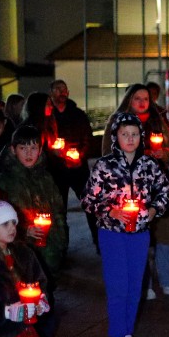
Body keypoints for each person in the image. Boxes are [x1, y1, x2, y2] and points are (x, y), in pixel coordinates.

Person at [82, 113, 169, 337]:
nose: (130, 138)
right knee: (117, 287)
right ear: (115, 137)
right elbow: (88, 199)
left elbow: (167, 191)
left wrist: (154, 211)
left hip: (140, 234)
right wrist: (111, 211)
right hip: (112, 234)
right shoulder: (104, 165)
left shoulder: (148, 164)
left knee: (136, 287)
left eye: (135, 134)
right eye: (125, 134)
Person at [102, 85, 169, 299]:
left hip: (158, 185)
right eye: (137, 98)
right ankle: (143, 283)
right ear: (128, 100)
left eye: (146, 98)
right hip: (130, 187)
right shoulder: (117, 121)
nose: (142, 102)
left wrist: (164, 152)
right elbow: (107, 153)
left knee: (167, 232)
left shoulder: (157, 119)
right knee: (139, 234)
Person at [0, 126, 69, 337]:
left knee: (46, 308)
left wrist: (59, 245)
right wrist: (24, 229)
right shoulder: (5, 181)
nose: (29, 153)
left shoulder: (46, 178)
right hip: (17, 257)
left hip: (46, 254)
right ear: (13, 150)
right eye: (23, 148)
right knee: (18, 311)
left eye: (33, 148)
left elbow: (58, 213)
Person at [0, 201, 51, 337]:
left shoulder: (23, 252)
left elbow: (40, 282)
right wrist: (6, 311)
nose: (12, 228)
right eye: (4, 224)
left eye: (13, 222)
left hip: (25, 330)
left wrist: (41, 302)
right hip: (1, 335)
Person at [47, 81, 95, 254]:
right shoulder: (48, 116)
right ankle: (62, 247)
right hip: (57, 170)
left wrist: (80, 155)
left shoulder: (78, 115)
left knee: (90, 204)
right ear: (51, 92)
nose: (62, 92)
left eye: (64, 89)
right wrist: (54, 154)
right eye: (58, 89)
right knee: (59, 209)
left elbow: (88, 139)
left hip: (78, 169)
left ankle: (99, 242)